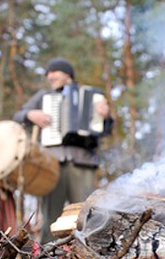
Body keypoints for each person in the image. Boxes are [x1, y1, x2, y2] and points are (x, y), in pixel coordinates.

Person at [13, 58, 113, 243]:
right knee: (51, 214)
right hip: (52, 163)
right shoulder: (44, 97)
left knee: (86, 213)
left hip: (82, 160)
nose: (49, 76)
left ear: (67, 73)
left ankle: (90, 254)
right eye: (48, 74)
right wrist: (31, 114)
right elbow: (18, 115)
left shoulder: (92, 95)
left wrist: (105, 116)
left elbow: (106, 129)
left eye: (53, 72)